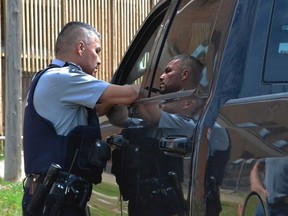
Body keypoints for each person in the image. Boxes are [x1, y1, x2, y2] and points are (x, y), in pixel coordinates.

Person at [22, 21, 139, 216]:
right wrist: (143, 86)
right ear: (81, 47)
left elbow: (98, 109)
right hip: (55, 199)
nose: (99, 61)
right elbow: (129, 95)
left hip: (50, 195)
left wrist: (110, 100)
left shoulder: (48, 77)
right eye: (97, 51)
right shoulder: (64, 77)